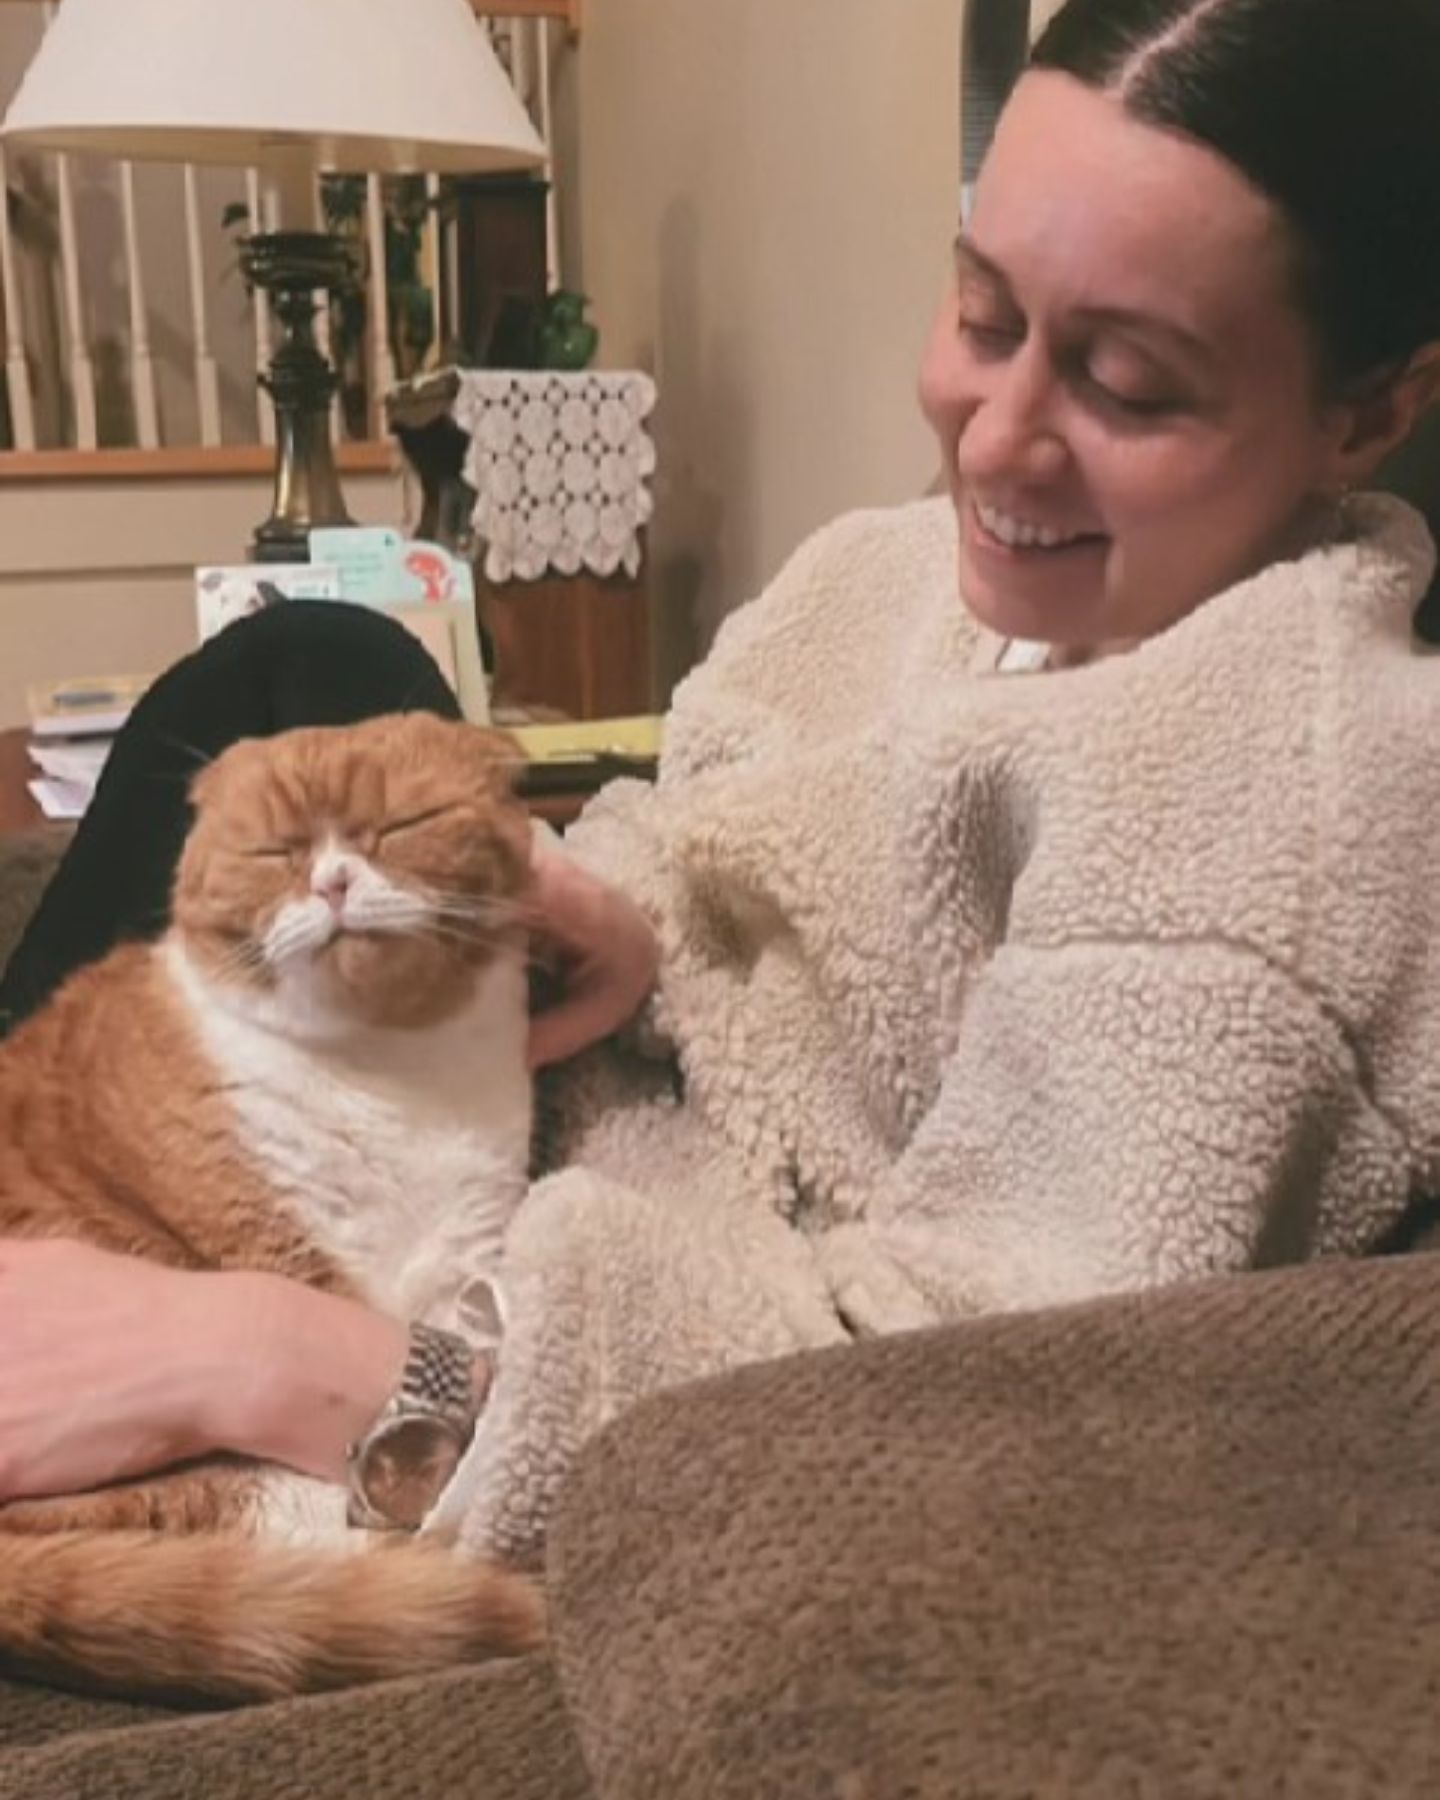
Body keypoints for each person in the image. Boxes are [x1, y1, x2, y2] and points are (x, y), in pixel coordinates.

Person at [4, 0, 1440, 1556]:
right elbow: (700, 839)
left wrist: (255, 1355)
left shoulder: (1276, 816)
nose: (995, 440)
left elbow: (967, 1399)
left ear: (1366, 412)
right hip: (487, 1104)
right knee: (314, 659)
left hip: (567, 1298)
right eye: (979, 314)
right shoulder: (878, 575)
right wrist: (616, 925)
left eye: (1130, 386)